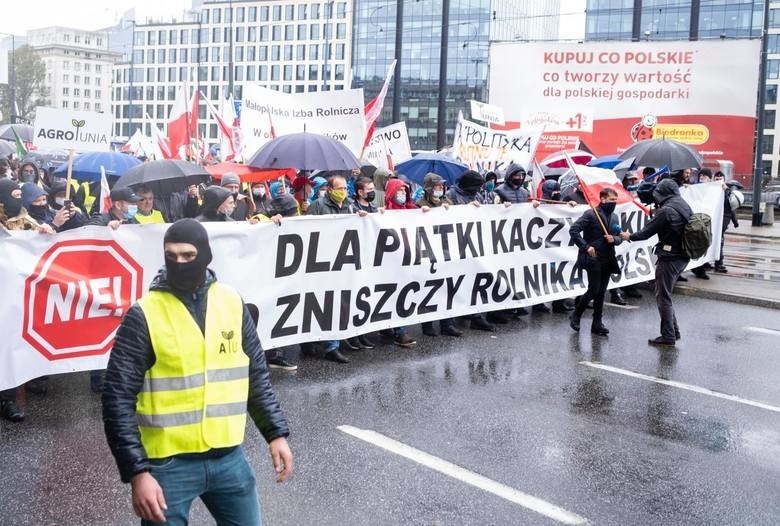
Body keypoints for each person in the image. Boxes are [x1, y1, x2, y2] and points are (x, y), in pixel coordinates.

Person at [101, 219, 292, 525]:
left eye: (188, 256)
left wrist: (275, 433)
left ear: (205, 256)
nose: (179, 262)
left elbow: (254, 375)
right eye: (171, 255)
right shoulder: (144, 313)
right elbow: (117, 399)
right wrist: (137, 472)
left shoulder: (231, 301)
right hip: (166, 468)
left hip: (229, 459)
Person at [0, 178, 54, 422]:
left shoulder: (27, 220)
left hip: (17, 293)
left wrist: (42, 233)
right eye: (11, 197)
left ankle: (12, 392)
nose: (16, 202)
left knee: (14, 341)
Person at [620, 179, 691, 347]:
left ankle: (668, 335)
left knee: (662, 297)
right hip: (683, 255)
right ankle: (674, 331)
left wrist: (628, 236)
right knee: (665, 294)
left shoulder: (665, 211)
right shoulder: (682, 204)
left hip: (670, 257)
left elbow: (646, 233)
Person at [306, 176, 355, 363]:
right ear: (329, 189)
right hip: (322, 261)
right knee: (322, 302)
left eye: (345, 188)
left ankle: (333, 345)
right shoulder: (318, 205)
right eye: (339, 188)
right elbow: (306, 230)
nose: (343, 191)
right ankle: (316, 343)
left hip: (343, 260)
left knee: (337, 302)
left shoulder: (350, 205)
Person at [569, 188, 623, 336]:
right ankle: (576, 314)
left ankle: (597, 323)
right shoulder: (591, 214)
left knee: (601, 292)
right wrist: (586, 247)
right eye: (612, 200)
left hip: (608, 257)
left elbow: (619, 236)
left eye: (615, 200)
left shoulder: (615, 217)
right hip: (593, 258)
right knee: (594, 290)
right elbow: (574, 230)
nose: (614, 203)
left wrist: (615, 239)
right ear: (603, 199)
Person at [712, 171, 738, 273]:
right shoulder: (711, 189)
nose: (718, 181)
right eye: (716, 179)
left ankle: (719, 263)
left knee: (719, 240)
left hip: (723, 219)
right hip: (714, 218)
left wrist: (735, 221)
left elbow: (732, 206)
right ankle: (711, 264)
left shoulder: (727, 191)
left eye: (720, 179)